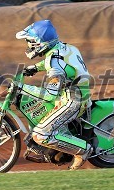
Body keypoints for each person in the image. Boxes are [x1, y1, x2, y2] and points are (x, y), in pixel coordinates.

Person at [16, 20, 92, 170]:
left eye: (30, 42)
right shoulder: (65, 47)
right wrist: (35, 68)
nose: (28, 45)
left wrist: (24, 88)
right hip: (77, 94)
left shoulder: (55, 65)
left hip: (73, 101)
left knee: (40, 135)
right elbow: (56, 60)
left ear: (40, 42)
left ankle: (82, 150)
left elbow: (50, 95)